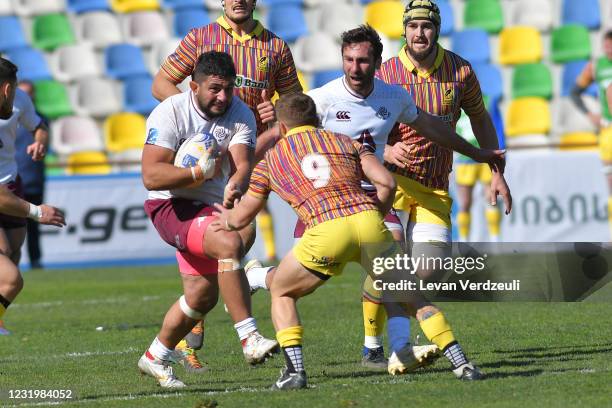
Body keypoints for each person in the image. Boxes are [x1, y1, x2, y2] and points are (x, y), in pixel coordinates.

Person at [245, 24, 506, 372]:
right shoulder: (322, 99)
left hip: (373, 202)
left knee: (398, 269)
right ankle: (257, 278)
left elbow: (433, 127)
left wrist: (475, 153)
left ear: (378, 61)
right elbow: (284, 132)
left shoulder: (393, 96)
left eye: (363, 61)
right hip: (328, 204)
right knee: (292, 285)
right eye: (349, 60)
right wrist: (241, 166)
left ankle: (395, 348)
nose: (355, 68)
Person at [213, 93, 484, 390]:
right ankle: (463, 364)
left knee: (282, 291)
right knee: (415, 300)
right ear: (316, 119)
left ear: (282, 127)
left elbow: (241, 218)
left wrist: (225, 216)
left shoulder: (271, 160)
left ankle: (295, 372)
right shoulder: (344, 141)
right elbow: (387, 182)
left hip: (325, 231)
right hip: (369, 222)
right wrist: (376, 213)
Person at [152, 0, 302, 368]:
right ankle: (238, 298)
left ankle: (211, 306)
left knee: (239, 234)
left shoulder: (275, 47)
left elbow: (296, 102)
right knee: (229, 238)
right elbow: (161, 83)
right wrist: (200, 125)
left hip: (245, 152)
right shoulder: (201, 36)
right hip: (204, 158)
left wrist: (276, 111)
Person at [138, 51, 278, 388]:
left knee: (202, 297)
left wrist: (235, 185)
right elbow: (152, 176)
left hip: (211, 205)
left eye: (229, 89)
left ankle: (155, 356)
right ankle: (249, 336)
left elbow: (243, 164)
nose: (223, 97)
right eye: (215, 89)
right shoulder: (169, 112)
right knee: (229, 243)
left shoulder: (240, 112)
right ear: (193, 86)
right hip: (171, 206)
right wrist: (197, 172)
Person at [0, 58, 57, 335]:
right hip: (2, 194)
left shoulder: (20, 99)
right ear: (6, 89)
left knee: (13, 253)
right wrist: (37, 212)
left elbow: (39, 125)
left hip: (12, 184)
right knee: (9, 275)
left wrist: (40, 141)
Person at [571, 30, 612, 238]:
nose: (608, 49)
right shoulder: (596, 66)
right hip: (608, 130)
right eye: (606, 45)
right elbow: (574, 92)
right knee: (611, 183)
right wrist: (590, 114)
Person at [454, 107, 503, 242]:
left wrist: (498, 149)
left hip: (485, 156)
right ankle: (464, 240)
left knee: (491, 198)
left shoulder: (487, 100)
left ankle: (495, 239)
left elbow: (497, 124)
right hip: (464, 159)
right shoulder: (454, 98)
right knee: (464, 202)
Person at [15, 80, 47, 269]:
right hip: (10, 182)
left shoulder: (40, 120)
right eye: (23, 93)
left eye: (30, 93)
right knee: (13, 226)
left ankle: (35, 260)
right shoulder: (8, 118)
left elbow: (43, 137)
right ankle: (10, 265)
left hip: (33, 180)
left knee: (34, 225)